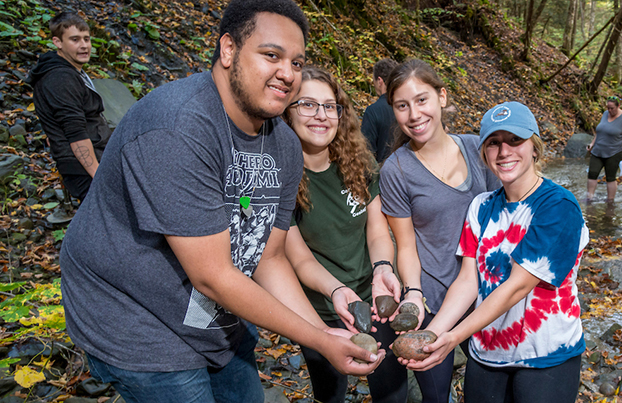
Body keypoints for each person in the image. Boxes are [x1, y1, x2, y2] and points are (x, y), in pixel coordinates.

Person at [59, 1, 384, 402]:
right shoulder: (177, 127)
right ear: (228, 50)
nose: (288, 73)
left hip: (220, 314)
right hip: (137, 320)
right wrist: (318, 338)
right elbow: (211, 274)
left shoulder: (282, 143)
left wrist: (322, 336)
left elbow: (270, 257)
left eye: (297, 63)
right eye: (271, 55)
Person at [403, 102, 589, 403]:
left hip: (546, 358)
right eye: (493, 143)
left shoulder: (559, 206)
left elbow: (518, 286)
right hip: (486, 354)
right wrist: (433, 335)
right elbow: (468, 280)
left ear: (535, 147)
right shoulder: (481, 206)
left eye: (515, 140)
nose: (504, 152)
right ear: (484, 153)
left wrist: (453, 338)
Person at [282, 66, 407, 403]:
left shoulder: (359, 164)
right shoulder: (280, 179)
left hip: (374, 299)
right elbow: (298, 258)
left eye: (329, 105)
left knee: (392, 389)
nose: (321, 115)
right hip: (320, 310)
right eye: (307, 104)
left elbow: (378, 229)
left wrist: (383, 266)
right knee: (330, 393)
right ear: (286, 112)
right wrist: (337, 290)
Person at [379, 59, 500, 403]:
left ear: (442, 97)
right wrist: (413, 293)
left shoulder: (479, 149)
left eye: (422, 100)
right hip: (433, 298)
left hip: (483, 295)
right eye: (402, 106)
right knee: (436, 396)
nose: (414, 114)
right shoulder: (396, 170)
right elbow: (405, 245)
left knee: (486, 390)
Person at [27, 12, 112, 201]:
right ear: (58, 42)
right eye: (75, 40)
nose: (84, 46)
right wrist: (99, 176)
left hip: (94, 161)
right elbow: (76, 134)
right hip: (86, 170)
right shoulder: (61, 78)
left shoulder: (69, 72)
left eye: (86, 39)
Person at [586, 95, 622, 202]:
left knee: (610, 177)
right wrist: (592, 144)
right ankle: (589, 198)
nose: (610, 110)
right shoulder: (605, 114)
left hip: (614, 152)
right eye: (608, 108)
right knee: (592, 174)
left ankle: (610, 201)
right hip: (598, 150)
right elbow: (600, 131)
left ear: (619, 106)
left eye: (612, 108)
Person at [361, 58, 399, 164]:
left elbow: (366, 152)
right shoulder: (407, 106)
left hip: (383, 175)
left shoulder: (373, 111)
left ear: (379, 81)